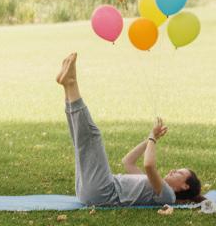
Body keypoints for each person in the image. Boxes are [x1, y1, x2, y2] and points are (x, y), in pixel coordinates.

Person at [56, 52, 202, 206]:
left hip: (102, 192)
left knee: (92, 137)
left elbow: (149, 165)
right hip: (93, 191)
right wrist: (149, 140)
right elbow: (128, 162)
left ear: (185, 186)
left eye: (179, 172)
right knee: (81, 143)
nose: (172, 170)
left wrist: (153, 138)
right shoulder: (150, 184)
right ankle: (68, 87)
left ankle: (71, 83)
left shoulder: (168, 195)